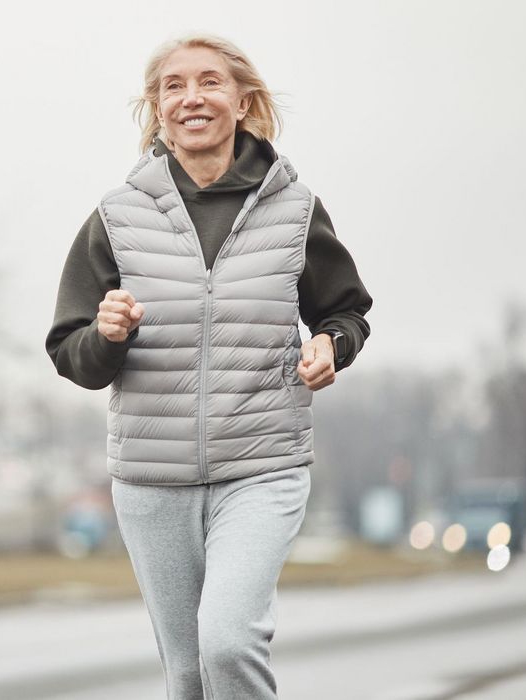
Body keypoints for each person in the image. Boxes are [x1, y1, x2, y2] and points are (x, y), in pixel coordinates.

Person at [45, 34, 372, 699]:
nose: (191, 96)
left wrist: (329, 346)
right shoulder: (116, 217)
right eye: (173, 86)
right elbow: (71, 352)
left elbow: (346, 311)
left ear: (242, 99)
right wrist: (106, 336)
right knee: (188, 674)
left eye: (210, 82)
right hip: (151, 477)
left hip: (262, 466)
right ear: (157, 108)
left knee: (227, 643)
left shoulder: (295, 209)